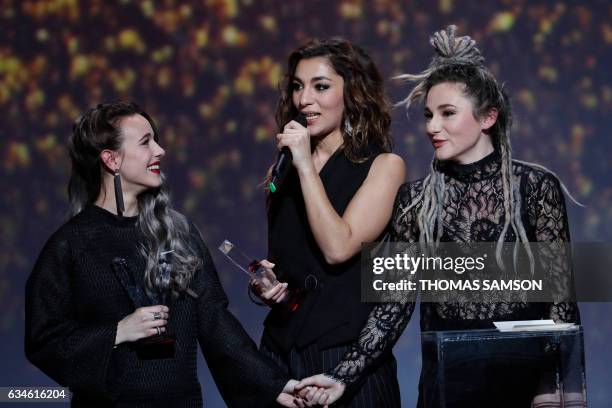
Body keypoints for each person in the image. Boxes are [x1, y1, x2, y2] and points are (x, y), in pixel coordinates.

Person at [296, 26, 582, 407]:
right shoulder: (415, 200)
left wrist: (557, 387)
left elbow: (560, 296)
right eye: (429, 114)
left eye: (448, 113)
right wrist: (342, 375)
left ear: (488, 117)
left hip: (525, 383)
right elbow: (394, 304)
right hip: (447, 383)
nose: (432, 126)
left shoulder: (534, 186)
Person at [24, 101, 305, 407]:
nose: (160, 151)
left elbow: (215, 322)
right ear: (111, 159)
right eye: (146, 142)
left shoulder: (179, 232)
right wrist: (117, 332)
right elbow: (44, 341)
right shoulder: (71, 245)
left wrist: (275, 385)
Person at [251, 38, 406, 407]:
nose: (305, 100)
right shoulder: (281, 170)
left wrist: (305, 164)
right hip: (282, 357)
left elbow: (339, 248)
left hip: (347, 362)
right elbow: (290, 262)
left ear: (351, 92)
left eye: (321, 87)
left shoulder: (383, 166)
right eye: (297, 87)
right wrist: (265, 286)